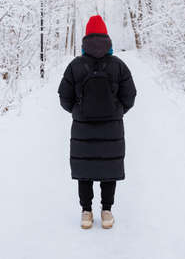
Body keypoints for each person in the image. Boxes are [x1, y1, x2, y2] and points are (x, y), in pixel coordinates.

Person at [58, 15, 137, 229]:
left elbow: (64, 97)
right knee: (108, 169)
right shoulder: (118, 65)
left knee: (85, 170)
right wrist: (117, 111)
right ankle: (107, 212)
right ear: (106, 38)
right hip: (112, 128)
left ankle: (86, 213)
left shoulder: (75, 65)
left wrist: (77, 110)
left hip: (82, 129)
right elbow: (130, 96)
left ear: (85, 39)